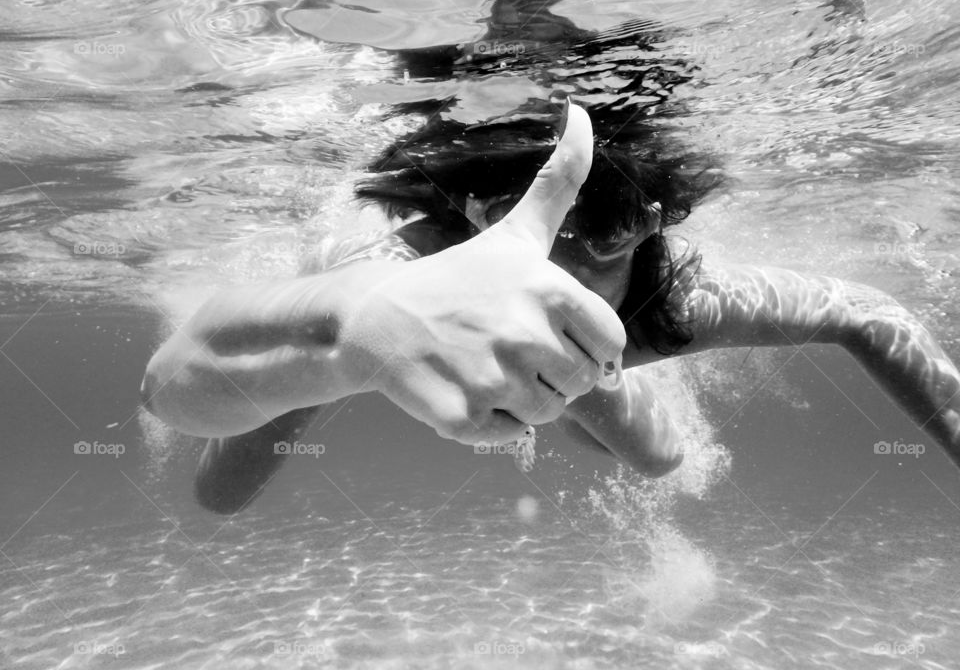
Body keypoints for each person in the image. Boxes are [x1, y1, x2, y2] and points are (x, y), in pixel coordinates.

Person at [142, 103, 960, 514]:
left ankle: (564, 379)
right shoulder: (400, 272)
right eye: (524, 222)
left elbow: (865, 311)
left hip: (595, 358)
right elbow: (168, 384)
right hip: (366, 340)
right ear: (469, 216)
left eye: (606, 228)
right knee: (221, 496)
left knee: (660, 458)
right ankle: (342, 369)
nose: (562, 260)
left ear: (655, 221)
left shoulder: (680, 299)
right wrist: (357, 338)